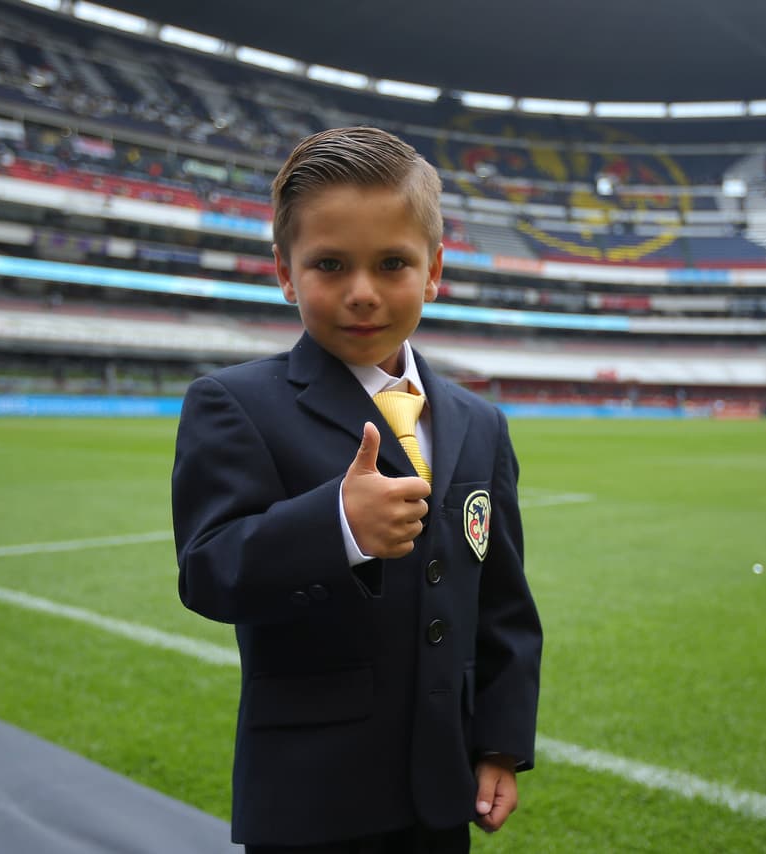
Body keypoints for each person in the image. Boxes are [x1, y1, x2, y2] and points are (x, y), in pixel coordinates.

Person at [171, 126, 542, 854]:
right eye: (331, 265)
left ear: (435, 270)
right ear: (285, 271)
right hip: (312, 796)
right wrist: (335, 524)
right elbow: (209, 573)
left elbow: (501, 602)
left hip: (442, 791)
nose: (362, 293)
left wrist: (498, 742)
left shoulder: (479, 422)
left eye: (393, 264)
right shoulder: (233, 403)